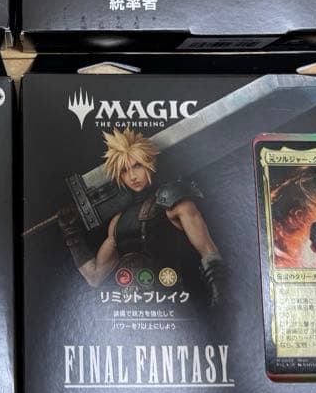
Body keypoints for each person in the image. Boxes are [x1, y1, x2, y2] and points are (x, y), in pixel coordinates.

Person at [60, 128, 223, 304]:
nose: (132, 176)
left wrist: (221, 292)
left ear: (149, 163)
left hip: (172, 301)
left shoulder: (172, 200)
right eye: (124, 170)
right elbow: (95, 277)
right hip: (133, 308)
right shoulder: (117, 222)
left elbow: (208, 250)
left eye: (137, 165)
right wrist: (72, 235)